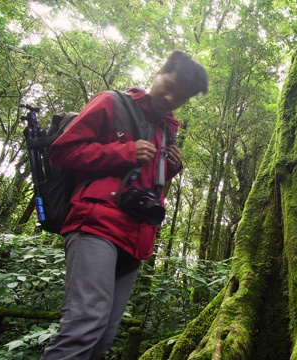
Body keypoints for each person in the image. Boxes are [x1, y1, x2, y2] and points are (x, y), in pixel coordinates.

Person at [42, 50, 208, 360]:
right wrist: (124, 152)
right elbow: (63, 151)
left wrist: (168, 168)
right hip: (96, 225)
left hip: (136, 237)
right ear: (158, 73)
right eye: (169, 86)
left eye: (181, 97)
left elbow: (142, 179)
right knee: (85, 323)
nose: (171, 98)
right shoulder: (112, 103)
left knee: (105, 335)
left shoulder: (168, 129)